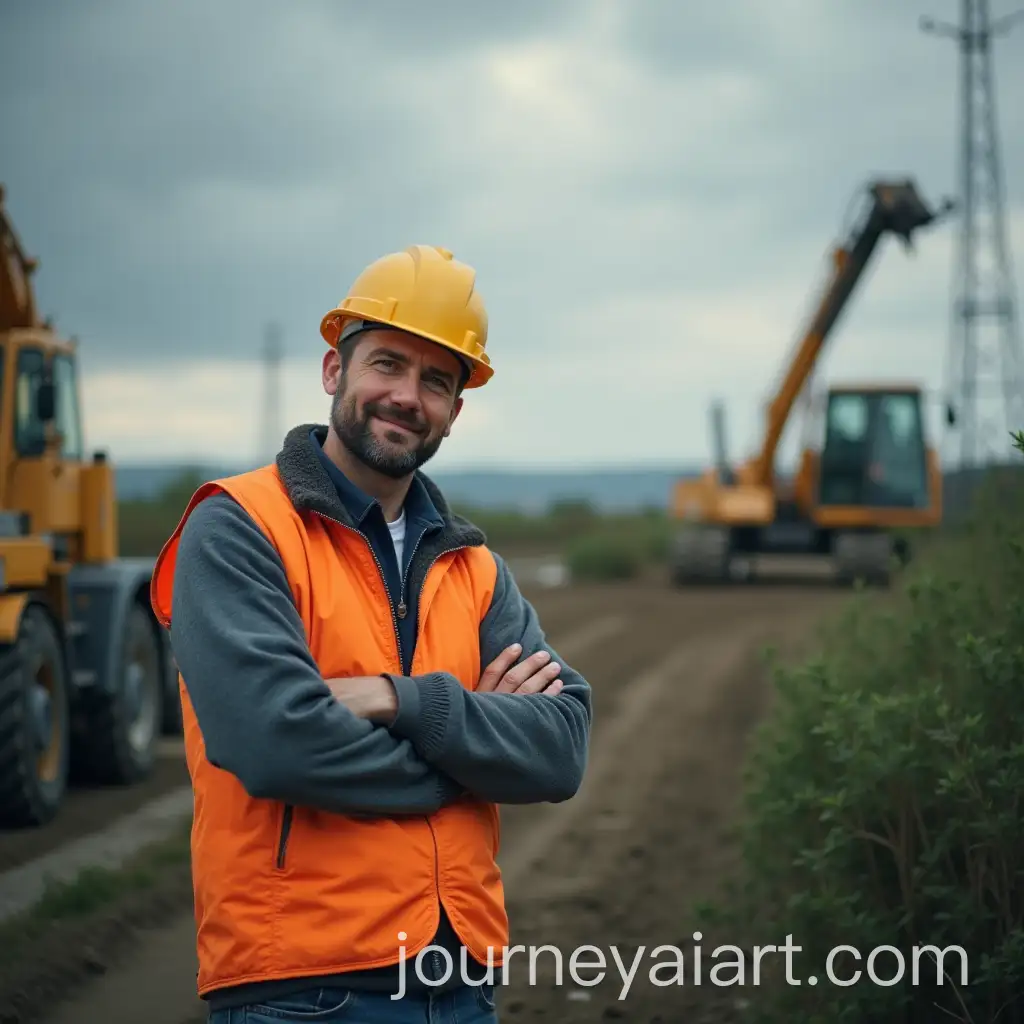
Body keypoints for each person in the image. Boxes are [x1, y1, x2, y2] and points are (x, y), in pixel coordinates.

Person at [150, 244, 593, 1024]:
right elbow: (274, 739)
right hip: (302, 989)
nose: (407, 396)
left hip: (462, 985)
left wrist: (403, 701)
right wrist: (467, 763)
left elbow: (560, 746)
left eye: (437, 381)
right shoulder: (240, 527)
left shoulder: (473, 565)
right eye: (387, 364)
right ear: (333, 372)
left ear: (456, 409)